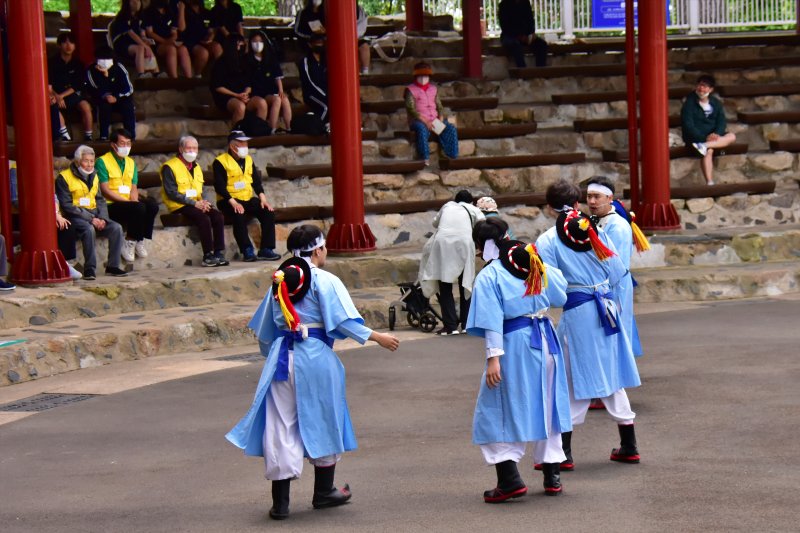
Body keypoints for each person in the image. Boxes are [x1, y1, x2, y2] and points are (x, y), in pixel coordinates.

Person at [225, 224, 400, 520]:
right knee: (323, 417)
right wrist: (377, 337)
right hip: (316, 358)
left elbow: (266, 331)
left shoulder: (279, 281)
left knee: (280, 426)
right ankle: (324, 491)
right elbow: (343, 321)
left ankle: (281, 503)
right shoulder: (325, 280)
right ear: (318, 250)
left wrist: (273, 355)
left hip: (282, 359)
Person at [535, 179, 641, 470]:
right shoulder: (594, 229)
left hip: (578, 309)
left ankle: (563, 452)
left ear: (549, 207)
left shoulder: (548, 240)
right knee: (610, 373)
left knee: (571, 378)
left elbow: (553, 287)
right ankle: (629, 444)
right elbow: (617, 269)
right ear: (577, 203)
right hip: (606, 306)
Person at [467, 218, 571, 502]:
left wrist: (493, 357)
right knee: (548, 404)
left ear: (483, 246)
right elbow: (560, 294)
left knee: (497, 408)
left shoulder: (491, 275)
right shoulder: (533, 262)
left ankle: (509, 479)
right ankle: (552, 475)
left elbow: (491, 320)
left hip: (515, 344)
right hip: (546, 341)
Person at [585, 177, 647, 358]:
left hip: (615, 284)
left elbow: (613, 266)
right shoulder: (596, 220)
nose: (592, 201)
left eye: (596, 196)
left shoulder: (617, 226)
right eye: (589, 196)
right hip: (603, 283)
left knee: (617, 329)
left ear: (609, 198)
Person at [55, 145, 128, 280]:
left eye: (92, 161)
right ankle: (90, 268)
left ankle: (113, 266)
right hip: (76, 216)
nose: (89, 165)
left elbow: (100, 199)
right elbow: (67, 205)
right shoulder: (64, 178)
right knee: (89, 229)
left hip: (95, 214)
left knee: (116, 228)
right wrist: (91, 219)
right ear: (77, 162)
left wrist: (103, 218)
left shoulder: (94, 175)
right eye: (86, 161)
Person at [417, 190, 484, 336]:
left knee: (445, 285)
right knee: (466, 283)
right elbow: (482, 225)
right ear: (471, 202)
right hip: (465, 244)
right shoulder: (473, 209)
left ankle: (450, 326)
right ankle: (467, 324)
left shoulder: (447, 206)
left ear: (455, 200)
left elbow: (435, 223)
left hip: (443, 245)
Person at [160, 135, 229, 267]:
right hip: (179, 205)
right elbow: (171, 193)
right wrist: (195, 204)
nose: (192, 151)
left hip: (196, 203)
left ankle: (218, 253)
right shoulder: (170, 167)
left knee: (218, 216)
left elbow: (201, 189)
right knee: (203, 218)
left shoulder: (196, 167)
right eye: (189, 148)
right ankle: (207, 255)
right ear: (181, 149)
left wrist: (204, 202)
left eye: (195, 148)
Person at [213, 130, 281, 262]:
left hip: (247, 198)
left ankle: (266, 249)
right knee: (238, 213)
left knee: (268, 212)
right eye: (242, 144)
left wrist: (263, 199)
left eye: (246, 144)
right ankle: (247, 249)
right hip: (228, 200)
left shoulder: (248, 160)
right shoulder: (220, 162)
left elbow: (256, 182)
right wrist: (233, 202)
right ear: (233, 146)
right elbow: (219, 187)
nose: (245, 147)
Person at [97, 128, 159, 263]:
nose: (126, 146)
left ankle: (139, 239)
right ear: (113, 145)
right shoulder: (102, 162)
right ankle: (129, 241)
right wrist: (129, 203)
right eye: (122, 143)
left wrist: (134, 200)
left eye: (128, 143)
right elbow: (105, 190)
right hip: (110, 204)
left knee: (152, 205)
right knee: (138, 208)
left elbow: (133, 187)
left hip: (127, 203)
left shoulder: (131, 162)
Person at [681, 74, 737, 186]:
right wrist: (703, 137)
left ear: (711, 89)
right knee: (709, 150)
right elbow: (688, 126)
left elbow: (721, 122)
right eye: (700, 85)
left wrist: (716, 134)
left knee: (732, 136)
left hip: (712, 137)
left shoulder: (716, 103)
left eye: (705, 86)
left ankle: (704, 145)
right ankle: (710, 182)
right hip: (695, 138)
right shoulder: (689, 103)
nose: (701, 88)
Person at [294, 0, 371, 75]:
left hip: (327, 42)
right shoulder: (303, 13)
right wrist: (311, 38)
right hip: (310, 43)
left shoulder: (325, 13)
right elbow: (297, 31)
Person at [404, 62, 459, 165]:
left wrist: (440, 119)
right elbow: (411, 109)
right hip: (418, 121)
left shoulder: (433, 89)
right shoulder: (410, 90)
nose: (423, 78)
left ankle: (451, 155)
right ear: (416, 76)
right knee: (421, 130)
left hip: (434, 120)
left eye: (425, 76)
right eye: (420, 76)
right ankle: (424, 157)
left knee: (450, 128)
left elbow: (439, 106)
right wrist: (425, 122)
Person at [48, 32, 94, 142]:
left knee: (85, 106)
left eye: (71, 43)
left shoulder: (78, 64)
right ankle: (64, 135)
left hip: (71, 94)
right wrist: (57, 96)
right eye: (65, 42)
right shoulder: (51, 62)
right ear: (59, 45)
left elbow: (77, 85)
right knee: (52, 103)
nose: (68, 46)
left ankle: (88, 136)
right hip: (55, 93)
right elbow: (48, 85)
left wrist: (62, 96)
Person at [85, 46, 137, 141]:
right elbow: (95, 89)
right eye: (102, 59)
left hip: (120, 98)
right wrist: (105, 77)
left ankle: (131, 136)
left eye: (108, 58)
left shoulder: (119, 67)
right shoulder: (91, 70)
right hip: (103, 99)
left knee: (128, 106)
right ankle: (103, 136)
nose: (105, 61)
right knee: (104, 106)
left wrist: (116, 97)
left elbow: (128, 88)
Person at [210, 34, 263, 125]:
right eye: (238, 44)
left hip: (243, 95)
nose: (240, 47)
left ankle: (259, 129)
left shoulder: (244, 62)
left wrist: (245, 94)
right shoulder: (220, 63)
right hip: (226, 97)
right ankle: (236, 132)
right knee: (240, 107)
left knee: (261, 103)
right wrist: (236, 95)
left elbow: (248, 83)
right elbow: (218, 87)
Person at [247, 30, 292, 134]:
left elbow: (277, 76)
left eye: (260, 41)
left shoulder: (270, 58)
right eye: (255, 41)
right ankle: (272, 128)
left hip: (270, 91)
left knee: (284, 100)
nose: (258, 44)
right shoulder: (248, 60)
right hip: (257, 92)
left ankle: (289, 127)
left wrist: (281, 90)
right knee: (277, 100)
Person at [109, 0, 160, 78]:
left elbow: (142, 34)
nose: (136, 3)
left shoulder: (140, 18)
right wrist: (145, 46)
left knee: (147, 47)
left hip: (136, 43)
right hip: (122, 45)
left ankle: (156, 73)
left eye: (138, 1)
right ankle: (141, 75)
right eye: (133, 1)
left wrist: (145, 40)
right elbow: (132, 34)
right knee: (141, 48)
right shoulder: (122, 18)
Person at [144, 0, 193, 78]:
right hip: (157, 44)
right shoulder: (148, 12)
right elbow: (150, 33)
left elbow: (174, 32)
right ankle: (174, 79)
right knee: (171, 49)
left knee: (183, 49)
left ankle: (189, 79)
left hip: (170, 41)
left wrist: (173, 39)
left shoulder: (170, 11)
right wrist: (165, 41)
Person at [176, 0, 222, 77]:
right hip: (190, 41)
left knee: (217, 47)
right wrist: (181, 10)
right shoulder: (184, 10)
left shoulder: (205, 12)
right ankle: (197, 75)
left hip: (204, 40)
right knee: (203, 53)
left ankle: (220, 75)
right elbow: (181, 29)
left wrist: (211, 37)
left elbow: (212, 29)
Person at [498, 0, 548, 68]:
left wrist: (530, 34)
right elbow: (505, 27)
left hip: (525, 36)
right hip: (510, 36)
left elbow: (530, 21)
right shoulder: (504, 5)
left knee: (542, 44)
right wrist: (519, 36)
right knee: (515, 46)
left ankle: (540, 70)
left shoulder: (525, 3)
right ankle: (523, 70)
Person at [298, 35, 328, 128]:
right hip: (311, 94)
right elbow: (308, 81)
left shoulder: (326, 60)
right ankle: (318, 127)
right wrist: (323, 94)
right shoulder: (305, 61)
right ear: (310, 45)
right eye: (317, 43)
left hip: (326, 93)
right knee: (325, 107)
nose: (319, 45)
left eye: (321, 43)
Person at [55, 195, 83, 280]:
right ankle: (61, 265)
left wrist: (56, 214)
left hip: (51, 214)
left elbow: (54, 198)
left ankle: (64, 262)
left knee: (67, 225)